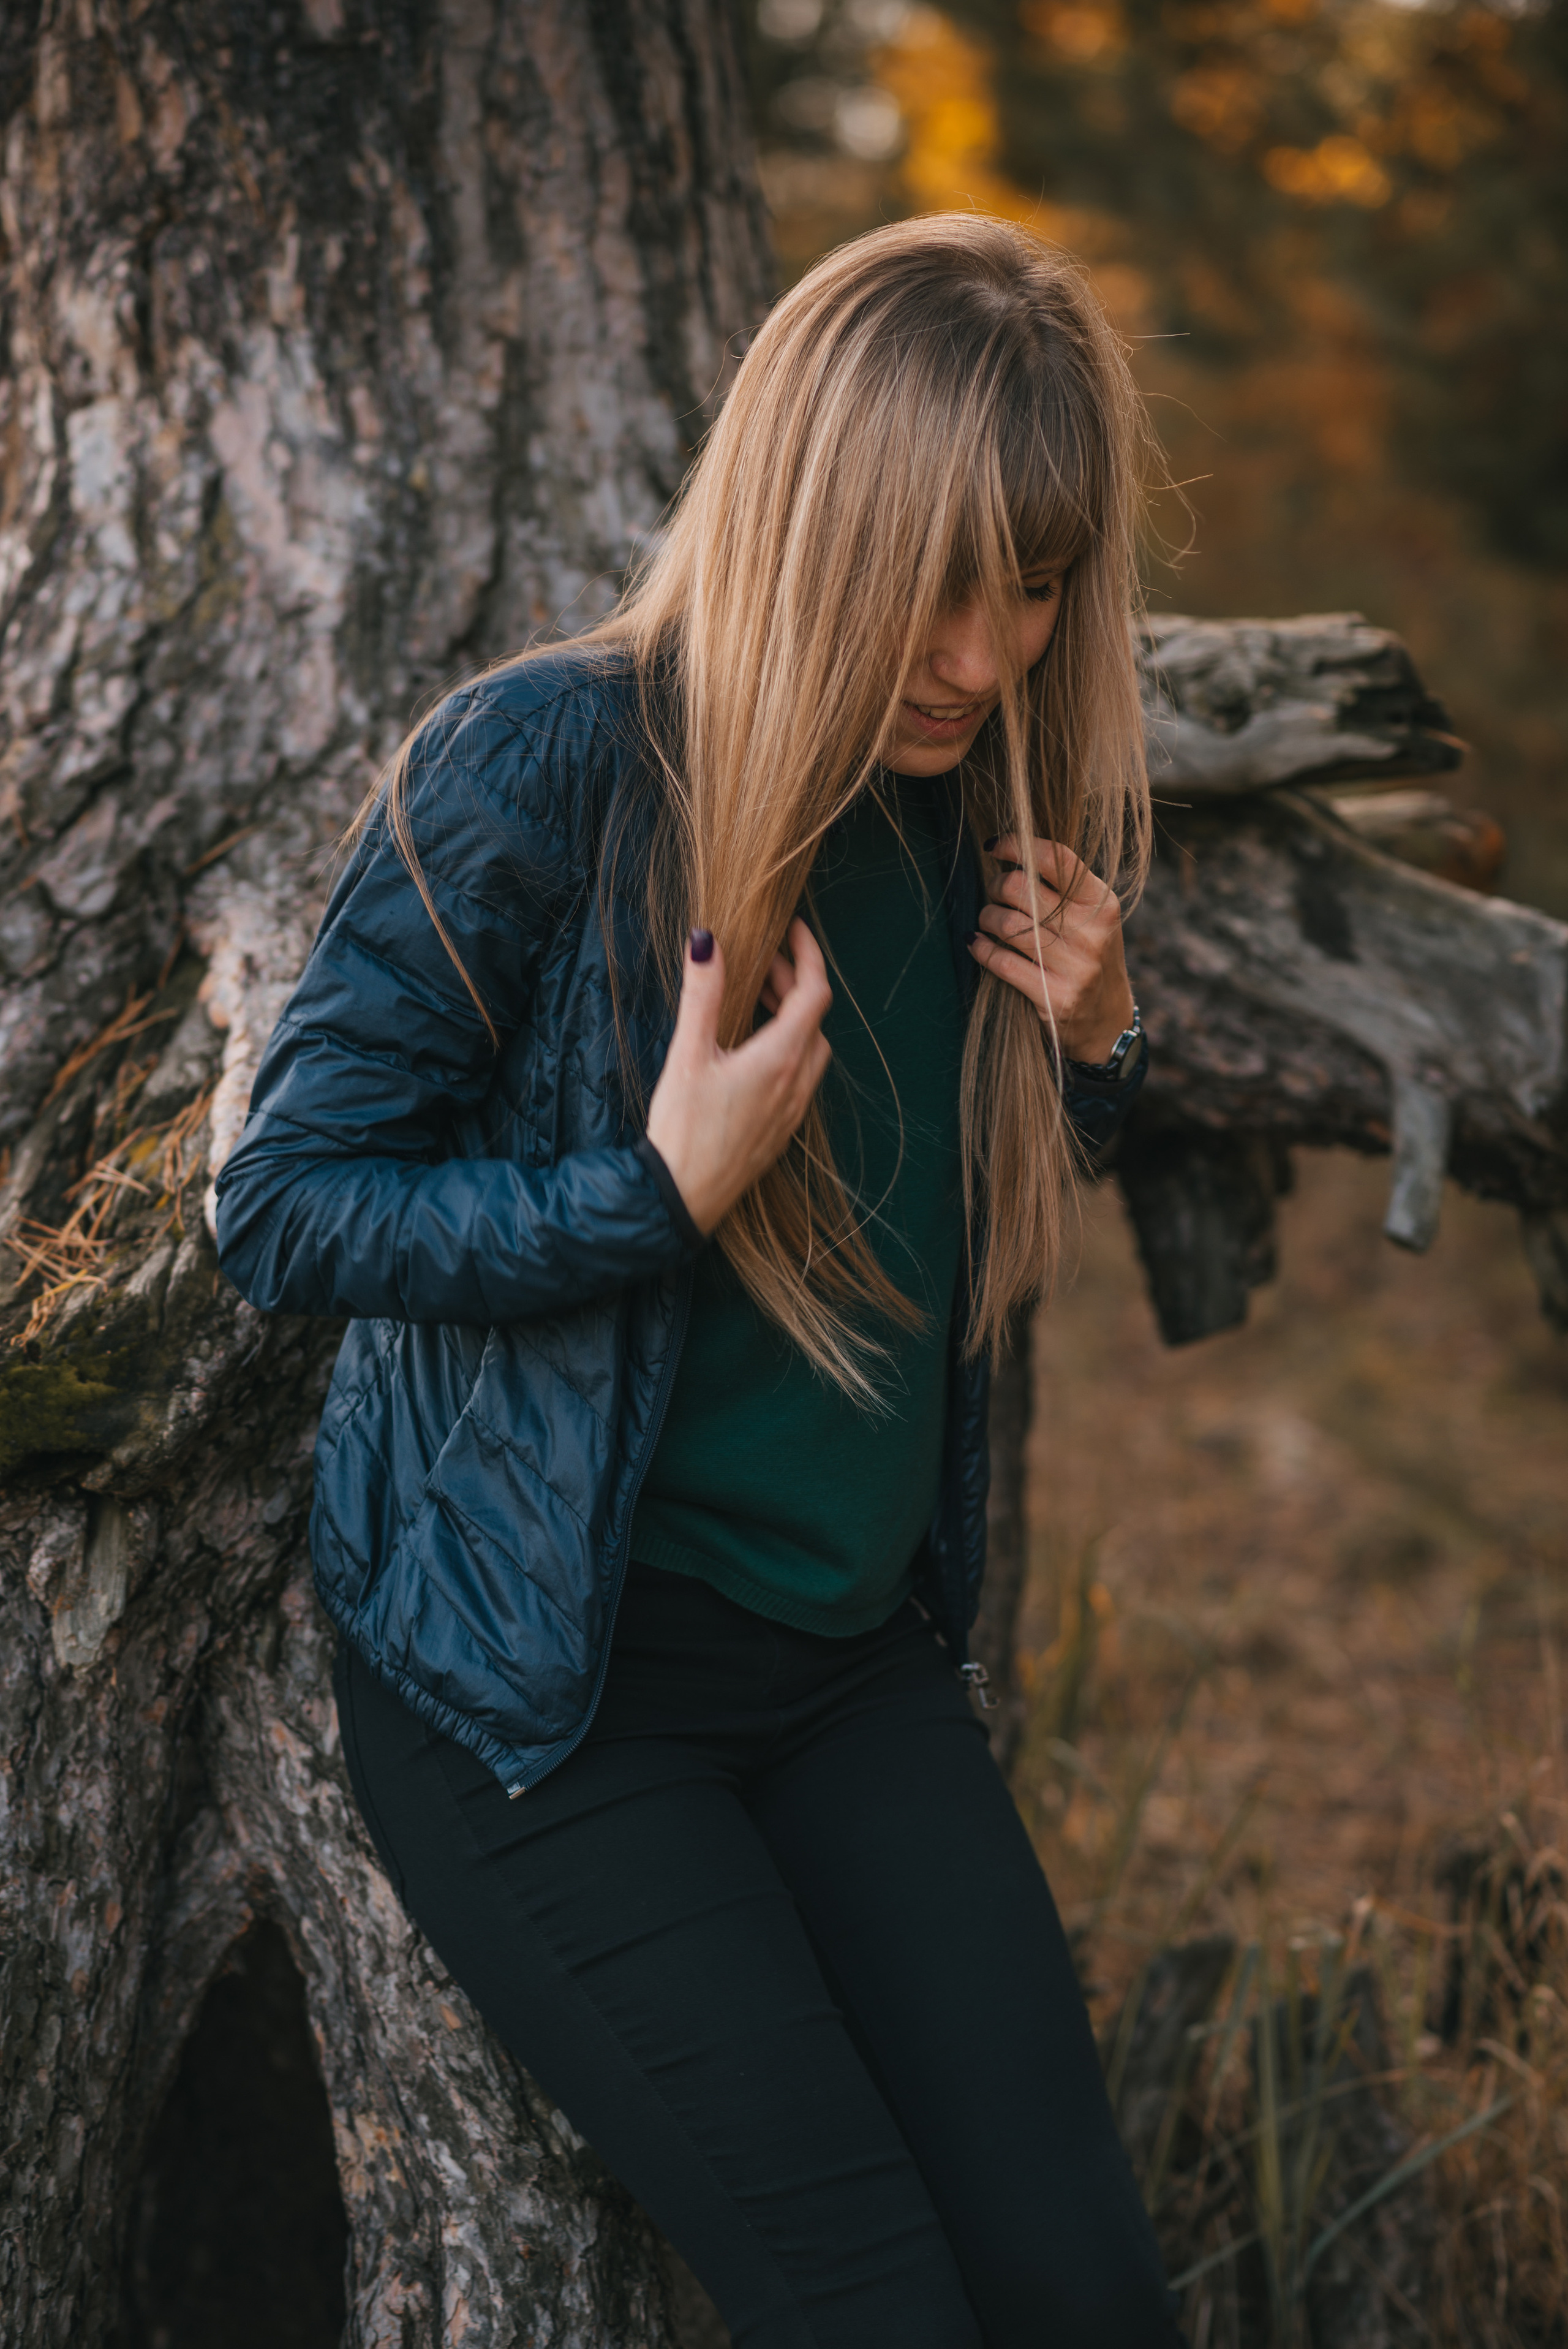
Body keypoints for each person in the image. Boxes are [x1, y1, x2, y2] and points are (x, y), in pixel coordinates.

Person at [216, 213, 1182, 2349]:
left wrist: (1105, 1041)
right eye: (937, 579)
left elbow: (974, 1169)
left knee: (1091, 2300)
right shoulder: (544, 767)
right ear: (807, 515)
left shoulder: (994, 797)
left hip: (852, 1666)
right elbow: (282, 1206)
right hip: (548, 1684)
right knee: (879, 2311)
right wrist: (642, 1191)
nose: (984, 648)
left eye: (1031, 584)